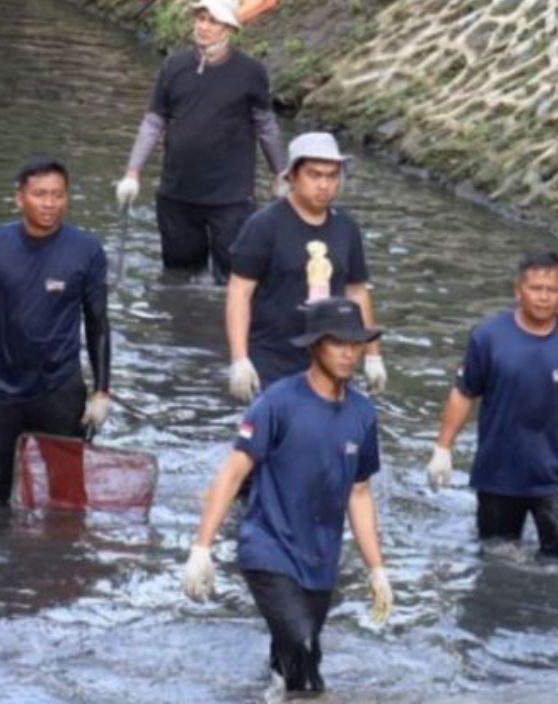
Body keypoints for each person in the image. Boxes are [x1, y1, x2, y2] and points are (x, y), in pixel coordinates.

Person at [182, 297, 393, 694]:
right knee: (303, 649)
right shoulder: (277, 403)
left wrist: (376, 569)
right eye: (338, 342)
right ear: (314, 346)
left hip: (321, 558)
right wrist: (201, 548)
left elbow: (360, 493)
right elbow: (232, 473)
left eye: (357, 343)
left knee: (293, 662)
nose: (349, 353)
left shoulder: (363, 414)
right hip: (269, 548)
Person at [0, 157, 111, 508]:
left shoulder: (87, 251)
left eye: (58, 195)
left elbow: (98, 324)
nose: (50, 204)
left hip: (59, 389)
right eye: (40, 194)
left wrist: (102, 392)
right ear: (20, 197)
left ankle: (63, 559)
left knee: (67, 492)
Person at [115, 0, 284, 283]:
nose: (203, 26)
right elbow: (154, 122)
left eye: (212, 21)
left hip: (230, 199)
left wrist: (282, 173)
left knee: (234, 280)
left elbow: (265, 126)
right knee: (178, 279)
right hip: (177, 195)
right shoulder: (173, 66)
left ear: (229, 28)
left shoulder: (251, 71)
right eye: (200, 18)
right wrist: (132, 172)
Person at [225, 131, 387, 403]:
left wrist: (373, 355)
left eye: (332, 175)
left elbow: (357, 292)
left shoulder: (346, 227)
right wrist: (240, 359)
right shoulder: (264, 226)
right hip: (272, 359)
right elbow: (239, 292)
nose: (324, 185)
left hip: (330, 360)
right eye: (315, 175)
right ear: (292, 177)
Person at [426, 252, 558, 558]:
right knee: (496, 560)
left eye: (552, 290)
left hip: (553, 476)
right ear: (518, 291)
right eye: (536, 288)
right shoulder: (489, 336)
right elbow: (464, 392)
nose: (544, 297)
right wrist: (443, 449)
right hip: (500, 475)